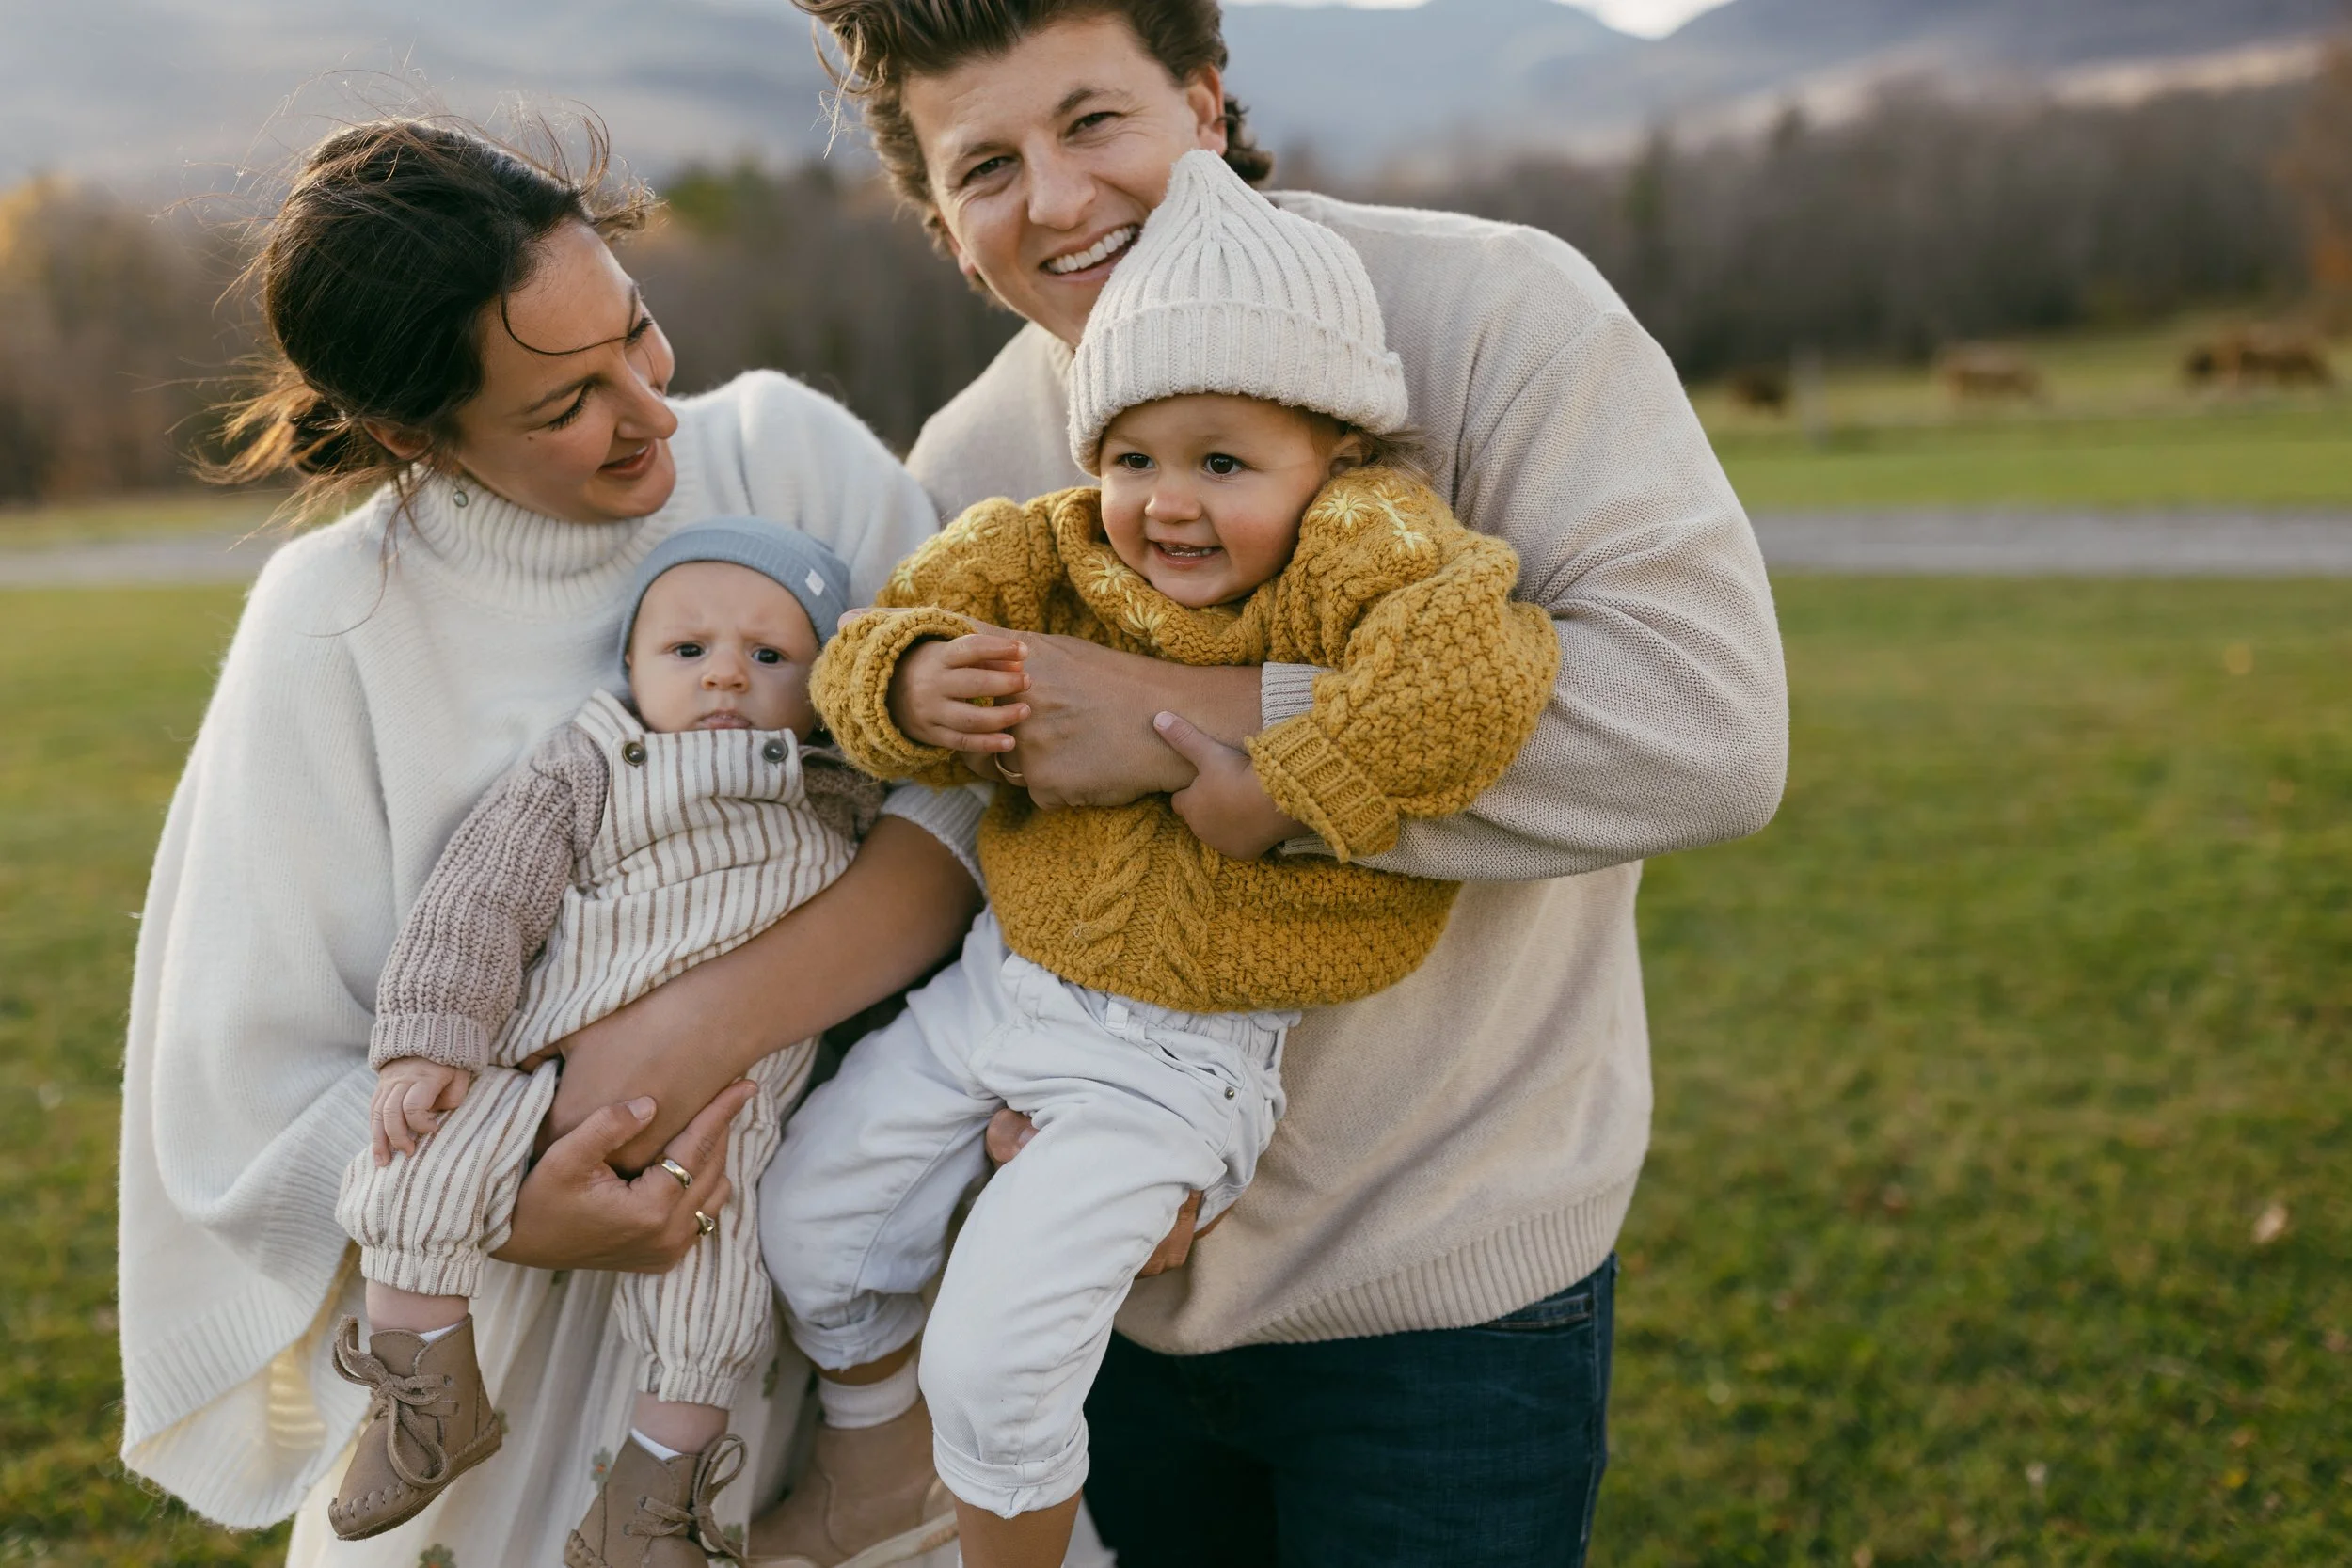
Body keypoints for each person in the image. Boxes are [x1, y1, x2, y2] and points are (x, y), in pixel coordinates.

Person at [771, 0, 1791, 1561]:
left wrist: (1199, 722)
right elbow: (942, 837)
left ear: (1204, 99)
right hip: (1108, 1296)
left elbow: (1704, 729)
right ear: (942, 225)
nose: (1052, 198)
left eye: (1094, 121)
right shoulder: (977, 461)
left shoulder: (1496, 313)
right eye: (987, 165)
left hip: (1443, 1294)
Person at [114, 118, 982, 1566]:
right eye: (569, 399)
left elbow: (971, 798)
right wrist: (520, 1203)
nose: (653, 410)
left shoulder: (787, 458)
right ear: (411, 431)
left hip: (845, 1333)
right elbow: (245, 1078)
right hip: (498, 1397)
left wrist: (701, 1027)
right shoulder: (335, 624)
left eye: (639, 333)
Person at [757, 149, 1559, 1568]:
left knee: (998, 1355)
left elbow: (1479, 675)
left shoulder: (1367, 548)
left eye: (1223, 460)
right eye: (1134, 455)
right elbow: (873, 641)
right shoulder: (1049, 546)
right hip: (1005, 991)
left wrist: (1288, 783)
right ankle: (892, 1469)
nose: (1168, 502)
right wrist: (912, 678)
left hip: (1174, 1058)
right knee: (815, 1219)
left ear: (1333, 456)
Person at [326, 518, 945, 1565]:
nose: (724, 678)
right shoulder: (592, 760)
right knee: (410, 1169)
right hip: (548, 1068)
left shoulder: (839, 789)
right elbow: (479, 900)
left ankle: (653, 1500)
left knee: (716, 1298)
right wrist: (429, 1041)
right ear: (631, 664)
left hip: (733, 1115)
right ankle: (427, 1385)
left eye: (769, 655)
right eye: (688, 649)